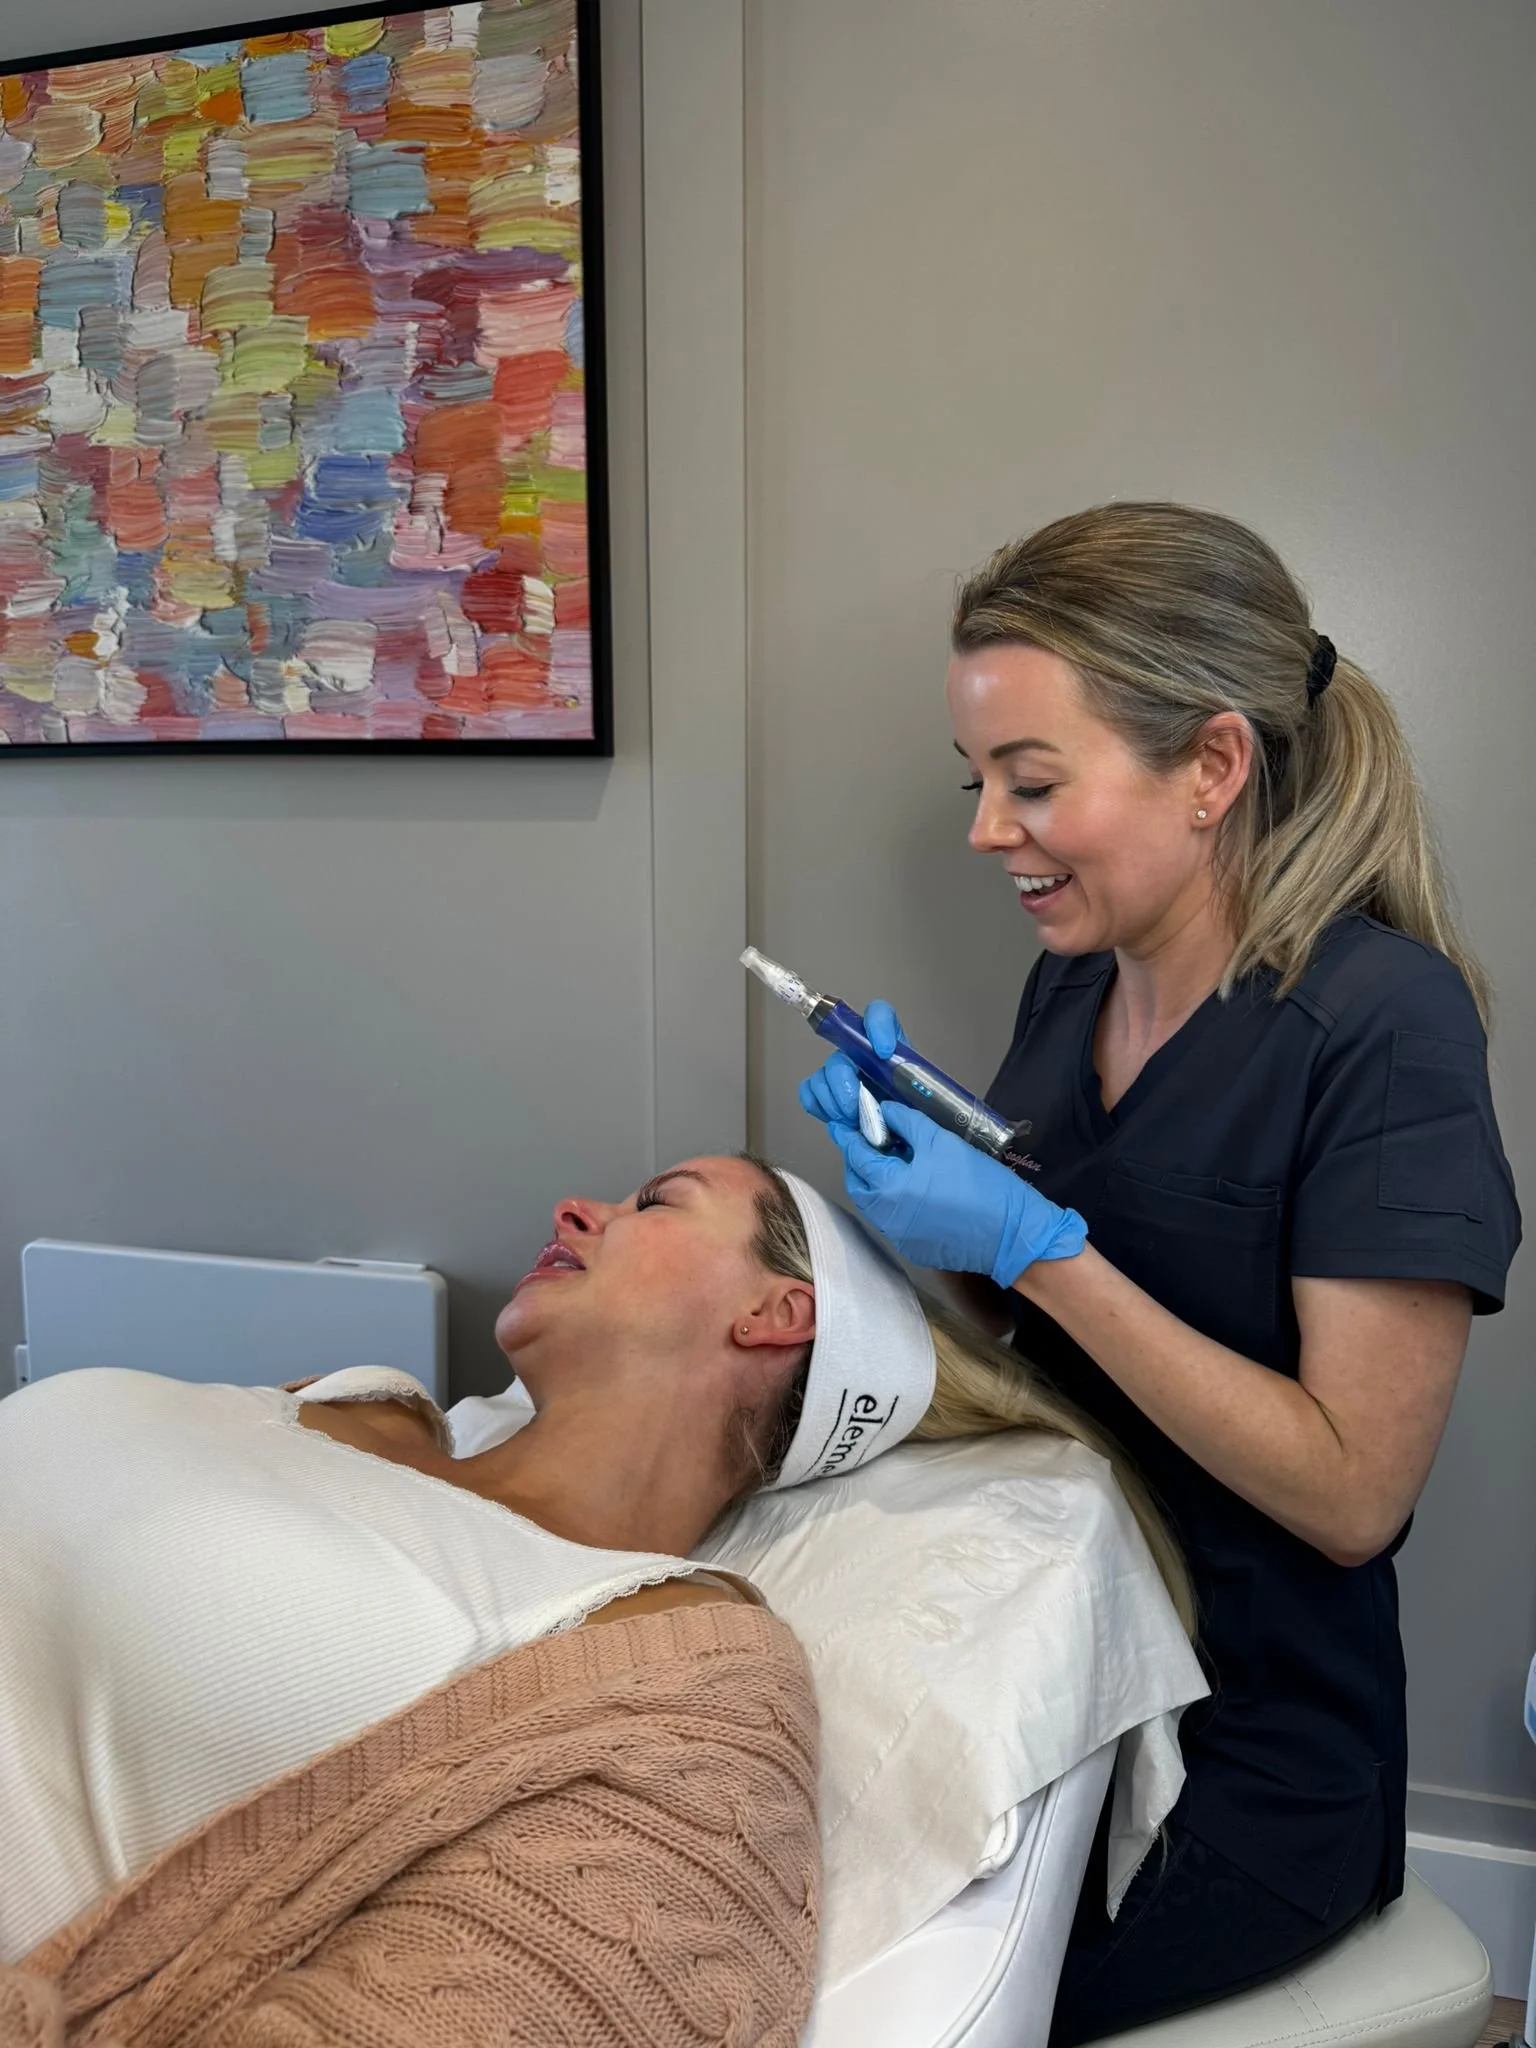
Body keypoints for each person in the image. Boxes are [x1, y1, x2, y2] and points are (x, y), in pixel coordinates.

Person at [801, 501, 1521, 2044]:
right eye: (977, 781)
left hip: (1244, 1752)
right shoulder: (1072, 988)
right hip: (1047, 1655)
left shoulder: (1384, 1029)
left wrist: (1038, 1250)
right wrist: (929, 1212)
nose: (989, 829)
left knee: (895, 2000)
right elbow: (1045, 1350)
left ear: (1211, 766)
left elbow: (1351, 1492)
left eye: (1032, 781)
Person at [0, 1151, 1188, 2046]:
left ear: (777, 1313)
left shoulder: (669, 1698)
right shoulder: (347, 1400)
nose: (575, 1209)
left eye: (655, 1201)